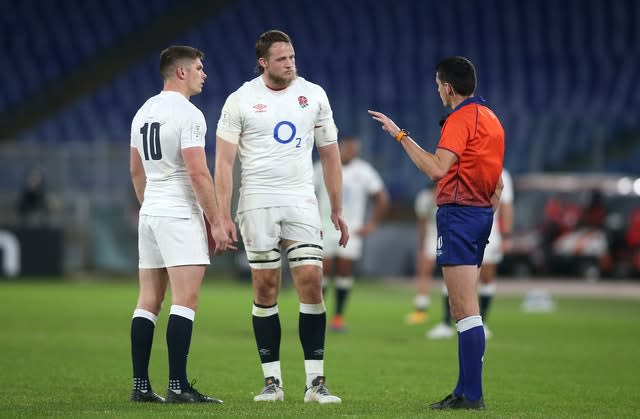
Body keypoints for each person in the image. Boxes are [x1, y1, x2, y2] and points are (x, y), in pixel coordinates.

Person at [214, 30, 348, 404]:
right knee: (265, 288)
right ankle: (272, 382)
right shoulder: (240, 100)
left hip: (302, 201)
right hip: (257, 202)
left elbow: (331, 155)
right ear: (263, 63)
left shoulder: (314, 95)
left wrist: (336, 208)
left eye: (292, 57)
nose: (290, 63)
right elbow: (223, 163)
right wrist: (221, 214)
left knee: (311, 280)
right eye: (282, 59)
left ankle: (316, 383)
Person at [369, 55, 504, 410]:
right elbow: (499, 186)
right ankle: (463, 390)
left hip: (459, 214)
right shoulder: (491, 118)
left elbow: (435, 168)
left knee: (463, 306)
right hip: (476, 215)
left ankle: (472, 396)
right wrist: (483, 213)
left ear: (447, 87)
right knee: (462, 306)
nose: (437, 91)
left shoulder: (461, 118)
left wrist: (400, 135)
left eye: (437, 85)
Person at [129, 45, 235, 404]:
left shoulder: (143, 111)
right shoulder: (189, 115)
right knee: (185, 299)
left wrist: (151, 208)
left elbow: (135, 169)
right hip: (178, 212)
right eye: (200, 68)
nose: (204, 74)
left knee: (148, 301)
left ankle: (141, 387)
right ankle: (178, 386)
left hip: (152, 212)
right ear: (181, 72)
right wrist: (217, 221)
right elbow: (197, 171)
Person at [313, 135, 390, 332]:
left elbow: (381, 197)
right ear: (339, 147)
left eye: (355, 148)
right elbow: (307, 194)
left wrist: (371, 224)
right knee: (322, 271)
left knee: (344, 272)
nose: (351, 151)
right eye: (348, 148)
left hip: (352, 230)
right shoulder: (322, 166)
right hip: (324, 228)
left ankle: (338, 317)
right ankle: (317, 316)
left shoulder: (364, 171)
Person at [427, 169, 514, 339]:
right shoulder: (459, 166)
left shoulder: (501, 173)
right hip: (459, 229)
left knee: (486, 277)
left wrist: (507, 235)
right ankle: (446, 323)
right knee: (453, 275)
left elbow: (506, 205)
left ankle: (483, 323)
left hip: (489, 231)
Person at [405, 186, 438, 325]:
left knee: (455, 274)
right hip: (432, 234)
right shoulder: (425, 197)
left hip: (452, 234)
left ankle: (454, 314)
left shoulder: (457, 191)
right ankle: (420, 310)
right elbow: (423, 223)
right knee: (424, 271)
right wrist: (422, 246)